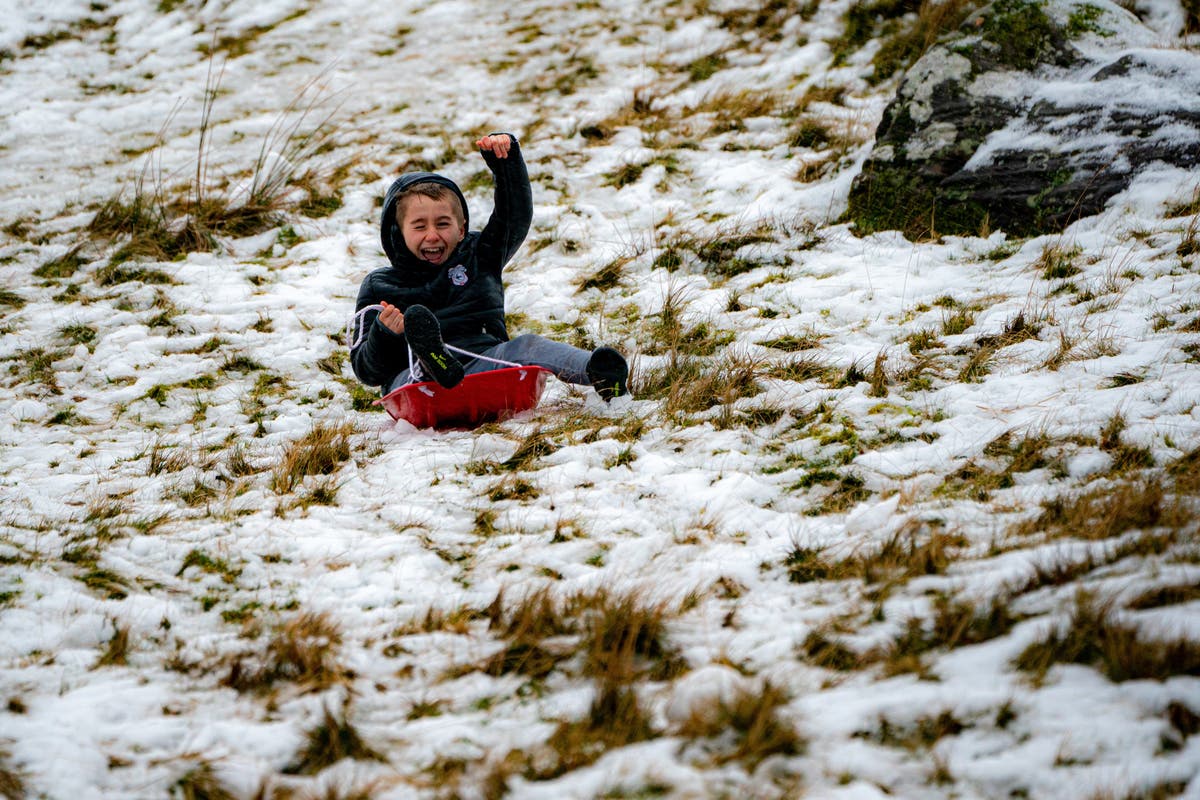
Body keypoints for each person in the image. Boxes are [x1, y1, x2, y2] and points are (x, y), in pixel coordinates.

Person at [350, 132, 629, 403]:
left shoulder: (479, 255)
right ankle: (432, 361)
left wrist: (506, 164)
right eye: (419, 226)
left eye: (443, 224)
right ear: (399, 233)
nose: (432, 235)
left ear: (461, 229)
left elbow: (513, 218)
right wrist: (384, 333)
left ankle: (600, 372)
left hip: (486, 367)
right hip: (418, 387)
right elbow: (366, 371)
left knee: (527, 345)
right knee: (413, 368)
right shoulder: (379, 285)